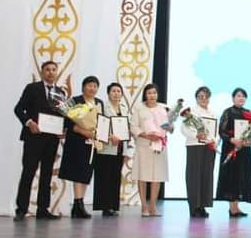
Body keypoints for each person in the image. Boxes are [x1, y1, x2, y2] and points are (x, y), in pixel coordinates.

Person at [13, 60, 65, 221]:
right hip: (33, 138)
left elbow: (62, 115)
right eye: (47, 69)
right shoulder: (32, 88)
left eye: (54, 69)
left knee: (47, 174)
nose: (51, 72)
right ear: (42, 72)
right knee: (28, 172)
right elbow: (18, 109)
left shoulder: (60, 92)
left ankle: (43, 209)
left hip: (51, 140)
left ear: (57, 72)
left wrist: (63, 130)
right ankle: (21, 209)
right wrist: (29, 123)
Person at [59, 75, 104, 219]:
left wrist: (99, 133)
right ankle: (78, 204)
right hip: (77, 142)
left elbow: (102, 121)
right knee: (77, 172)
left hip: (92, 143)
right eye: (89, 85)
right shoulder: (75, 101)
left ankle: (79, 204)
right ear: (83, 87)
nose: (92, 88)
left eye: (95, 86)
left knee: (86, 173)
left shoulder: (99, 103)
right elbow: (66, 121)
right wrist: (81, 130)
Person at [130, 83, 171, 217]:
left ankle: (153, 206)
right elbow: (133, 127)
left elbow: (169, 127)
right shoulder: (139, 108)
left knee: (157, 176)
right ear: (145, 95)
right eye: (149, 93)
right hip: (144, 145)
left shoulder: (164, 108)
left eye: (154, 93)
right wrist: (147, 136)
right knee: (143, 176)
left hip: (159, 146)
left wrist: (170, 127)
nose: (152, 95)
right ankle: (144, 206)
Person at [216, 87, 251, 217]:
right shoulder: (228, 112)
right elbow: (221, 131)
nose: (241, 98)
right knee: (231, 177)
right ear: (233, 98)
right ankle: (232, 208)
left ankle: (237, 207)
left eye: (243, 96)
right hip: (231, 149)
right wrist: (232, 139)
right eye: (238, 96)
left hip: (244, 150)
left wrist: (250, 141)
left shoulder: (249, 113)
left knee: (241, 176)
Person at [93, 82, 129, 217]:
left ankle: (113, 205)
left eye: (119, 91)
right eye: (113, 91)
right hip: (106, 147)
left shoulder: (124, 108)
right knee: (104, 177)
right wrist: (110, 136)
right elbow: (99, 125)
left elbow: (128, 126)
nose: (116, 94)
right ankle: (105, 206)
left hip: (120, 147)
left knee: (115, 177)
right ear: (108, 93)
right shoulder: (102, 106)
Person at [181, 86, 217, 218]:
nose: (203, 99)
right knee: (194, 176)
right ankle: (194, 207)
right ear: (196, 98)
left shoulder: (212, 113)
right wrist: (196, 135)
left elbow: (216, 131)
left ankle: (202, 206)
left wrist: (214, 141)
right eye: (200, 96)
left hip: (209, 147)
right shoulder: (191, 112)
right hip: (195, 146)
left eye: (206, 96)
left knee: (206, 176)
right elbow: (184, 129)